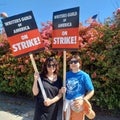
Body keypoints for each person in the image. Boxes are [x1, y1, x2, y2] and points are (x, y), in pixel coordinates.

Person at [64, 55, 95, 120]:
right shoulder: (66, 75)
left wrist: (83, 100)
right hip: (67, 104)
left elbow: (91, 90)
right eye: (71, 62)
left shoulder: (84, 76)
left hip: (77, 104)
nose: (73, 63)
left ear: (80, 63)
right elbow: (63, 88)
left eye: (75, 62)